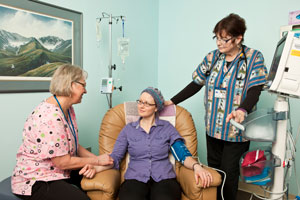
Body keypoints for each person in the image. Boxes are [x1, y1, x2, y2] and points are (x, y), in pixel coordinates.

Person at [165, 13, 268, 200]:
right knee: (214, 171)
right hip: (213, 127)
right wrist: (172, 101)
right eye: (217, 38)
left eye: (225, 39)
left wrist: (242, 109)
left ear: (238, 38)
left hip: (235, 130)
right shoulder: (212, 58)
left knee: (229, 173)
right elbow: (196, 83)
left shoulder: (253, 58)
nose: (219, 43)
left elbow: (255, 89)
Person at [80, 87, 213, 200]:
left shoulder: (167, 128)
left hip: (164, 179)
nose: (141, 106)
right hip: (135, 179)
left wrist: (197, 167)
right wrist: (97, 168)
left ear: (156, 108)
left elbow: (182, 154)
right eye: (140, 102)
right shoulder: (128, 129)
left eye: (147, 103)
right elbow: (115, 157)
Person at [11, 64, 113, 200]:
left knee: (107, 167)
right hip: (37, 178)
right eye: (83, 85)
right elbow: (62, 162)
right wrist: (97, 160)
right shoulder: (49, 117)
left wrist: (97, 161)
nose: (85, 91)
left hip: (59, 170)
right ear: (71, 85)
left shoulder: (67, 109)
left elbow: (73, 145)